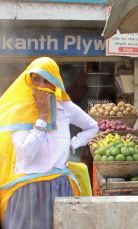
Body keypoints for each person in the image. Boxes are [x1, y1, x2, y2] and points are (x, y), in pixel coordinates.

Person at [0, 57, 99, 229]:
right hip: (28, 190)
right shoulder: (19, 110)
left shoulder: (66, 107)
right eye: (37, 79)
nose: (41, 84)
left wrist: (72, 145)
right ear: (29, 80)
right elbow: (27, 153)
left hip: (60, 187)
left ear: (55, 82)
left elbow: (92, 127)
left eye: (47, 80)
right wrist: (42, 118)